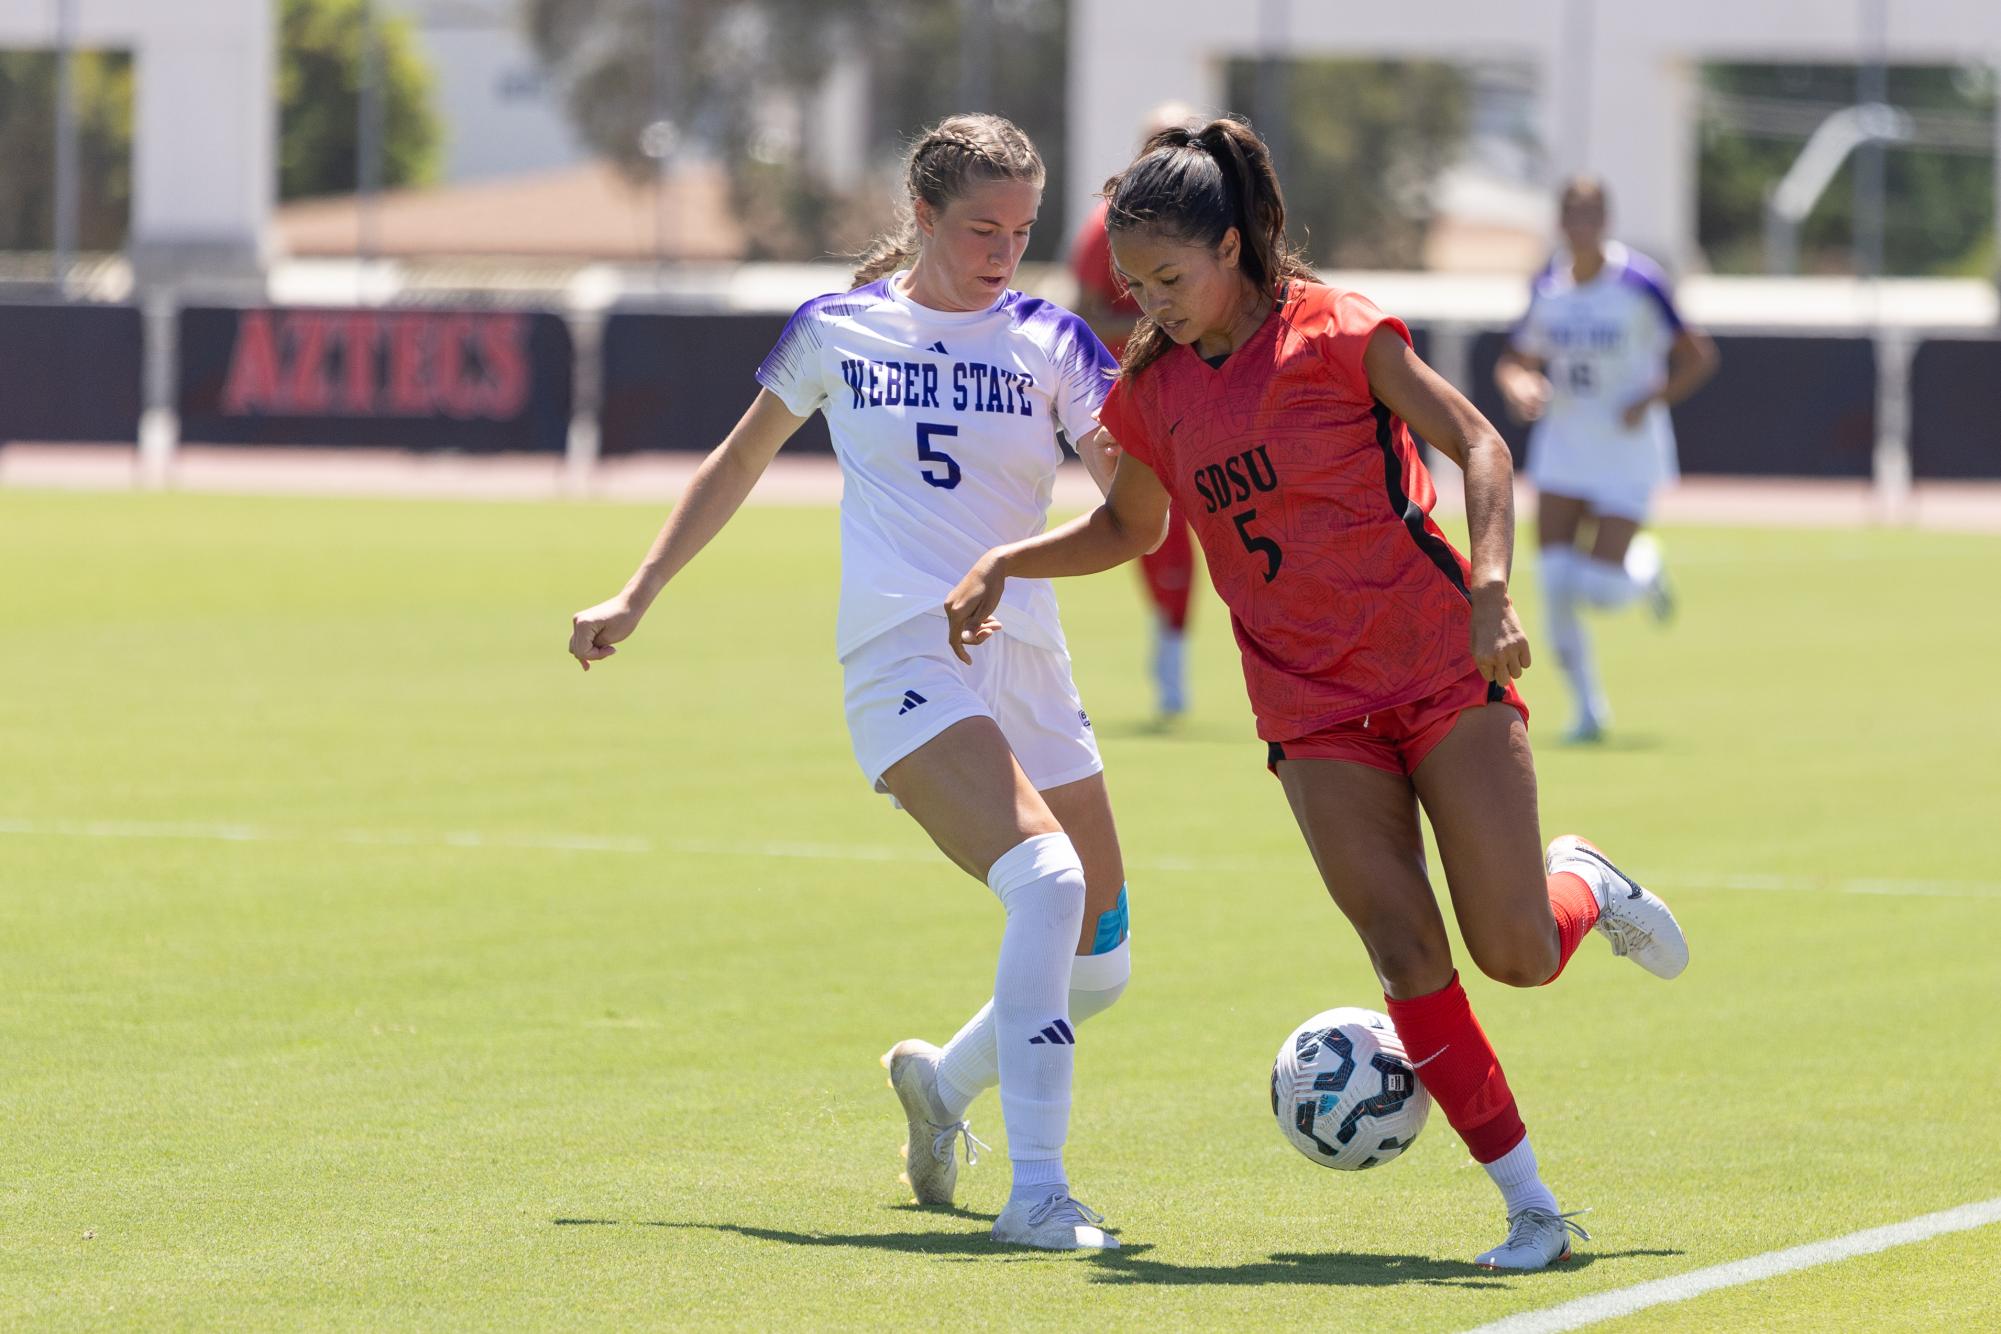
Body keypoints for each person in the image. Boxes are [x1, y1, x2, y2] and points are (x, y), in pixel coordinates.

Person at [943, 118, 1691, 1271]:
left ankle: (1580, 883)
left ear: (1232, 247)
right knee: (1404, 953)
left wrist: (1492, 587)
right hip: (1307, 707)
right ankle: (1532, 1207)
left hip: (1442, 667)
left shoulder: (1337, 332)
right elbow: (1132, 526)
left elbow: (1481, 444)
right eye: (1135, 284)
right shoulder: (1151, 387)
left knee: (1517, 951)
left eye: (1172, 279)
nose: (1153, 304)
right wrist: (1008, 559)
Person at [568, 114, 1135, 1252]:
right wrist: (638, 591)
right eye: (981, 227)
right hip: (902, 655)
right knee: (1047, 881)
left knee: (1102, 962)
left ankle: (940, 1084)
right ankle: (1039, 1194)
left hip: (1024, 650)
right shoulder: (838, 331)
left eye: (1021, 230)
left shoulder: (1055, 342)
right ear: (922, 215)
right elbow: (736, 463)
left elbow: (1134, 500)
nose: (1003, 250)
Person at [1494, 176, 1719, 743]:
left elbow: (1697, 356)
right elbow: (1515, 360)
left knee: (1600, 587)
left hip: (1625, 452)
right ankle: (1588, 709)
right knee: (1555, 581)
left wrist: (1650, 398)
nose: (1581, 224)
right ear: (1561, 221)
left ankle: (1644, 571)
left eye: (1591, 213)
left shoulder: (1640, 281)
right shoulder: (1549, 284)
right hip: (1565, 448)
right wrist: (1521, 385)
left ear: (1606, 220)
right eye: (1572, 213)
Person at [1070, 103, 1202, 721]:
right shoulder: (1107, 227)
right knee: (1154, 527)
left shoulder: (1213, 224)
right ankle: (1170, 653)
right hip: (1143, 398)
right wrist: (1162, 317)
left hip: (1212, 391)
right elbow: (1086, 311)